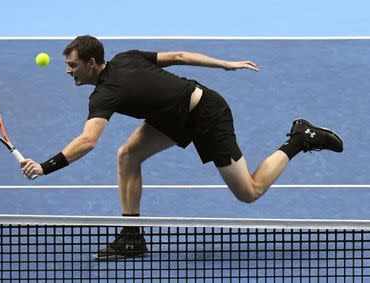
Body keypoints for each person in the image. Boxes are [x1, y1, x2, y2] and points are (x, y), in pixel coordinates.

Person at [20, 35, 343, 260]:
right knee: (128, 154)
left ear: (92, 63)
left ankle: (300, 138)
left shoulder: (104, 95)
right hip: (173, 116)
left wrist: (45, 166)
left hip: (206, 114)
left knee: (249, 191)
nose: (67, 70)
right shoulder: (124, 58)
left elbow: (88, 140)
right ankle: (132, 236)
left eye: (73, 65)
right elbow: (177, 57)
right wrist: (224, 64)